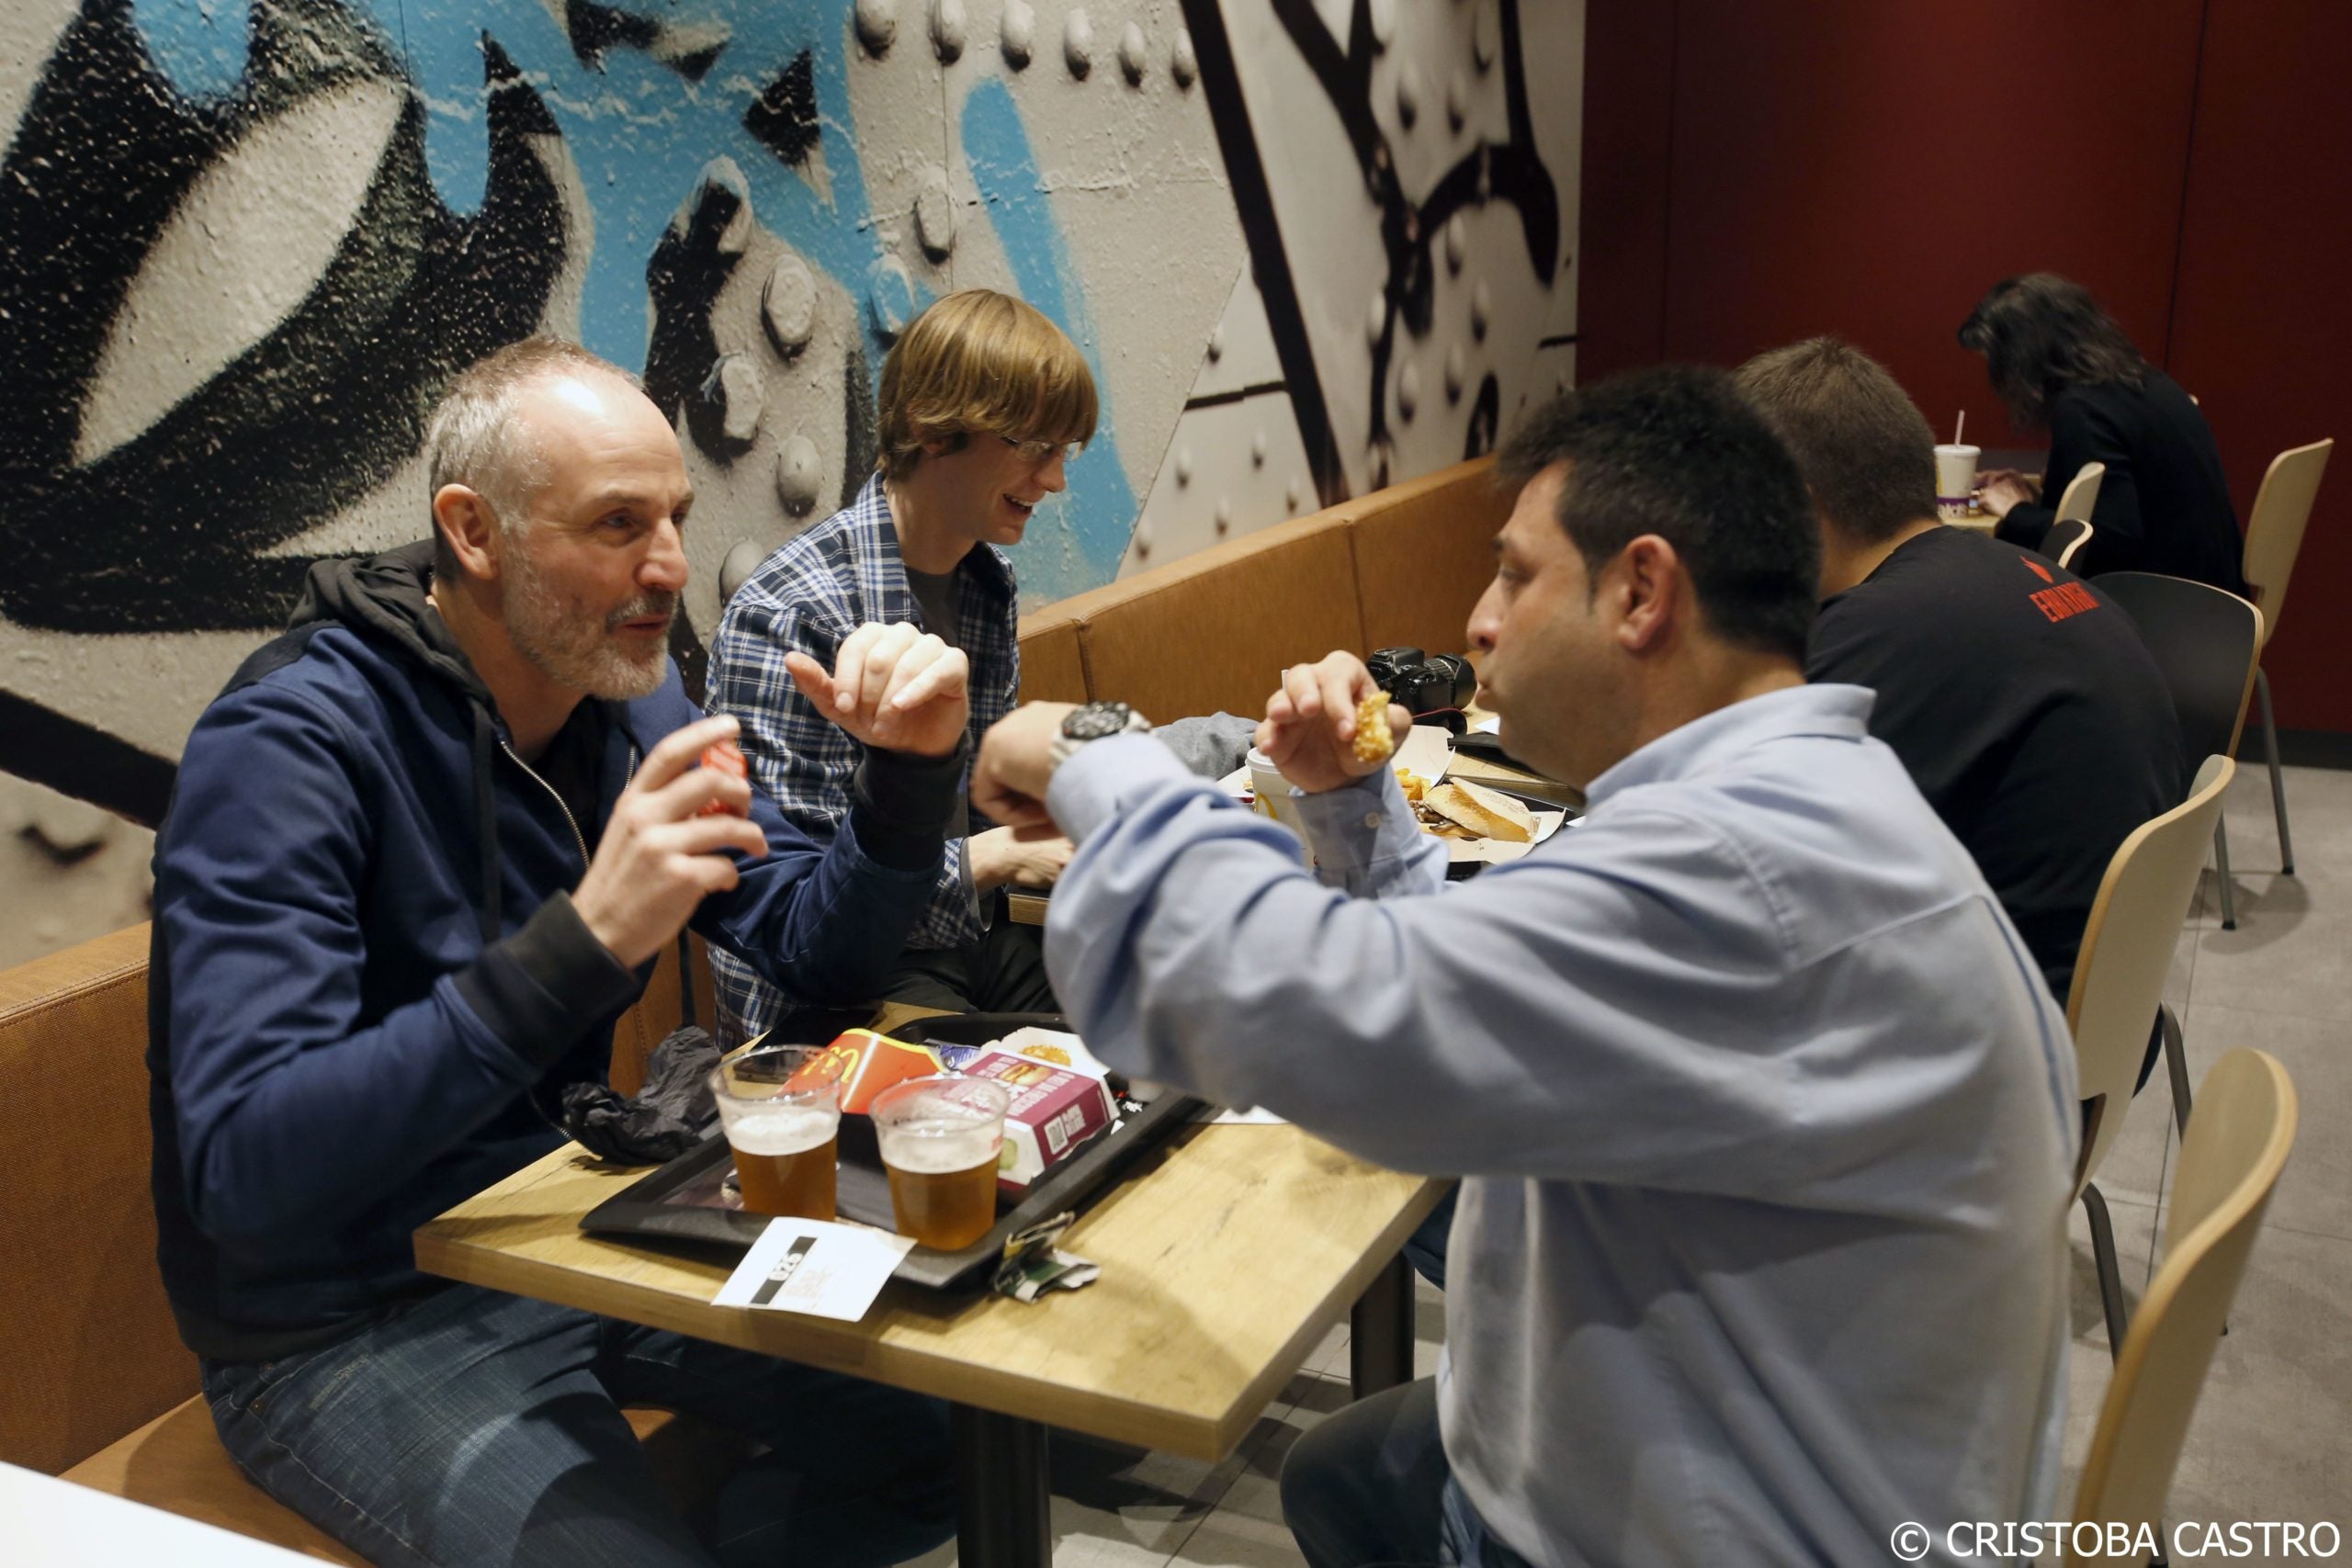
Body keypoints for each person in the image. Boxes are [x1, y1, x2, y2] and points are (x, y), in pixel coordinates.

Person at [970, 368, 2079, 1567]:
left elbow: (1305, 1002)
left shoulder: (1742, 868)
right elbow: (1466, 995)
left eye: (1513, 572)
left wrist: (1096, 750)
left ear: (1642, 590)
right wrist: (1350, 801)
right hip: (1736, 1416)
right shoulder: (1783, 799)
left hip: (1762, 1522)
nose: (1479, 620)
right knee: (1346, 1470)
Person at [148, 337, 967, 1568]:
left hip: (565, 1223)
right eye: (616, 523)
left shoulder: (626, 695)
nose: (669, 568)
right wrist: (578, 945)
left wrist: (905, 783)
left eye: (677, 518)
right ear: (474, 533)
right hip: (345, 1322)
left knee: (965, 1424)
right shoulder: (286, 748)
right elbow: (248, 1172)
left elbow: (812, 947)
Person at [1737, 335, 2185, 1002]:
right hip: (2096, 1014)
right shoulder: (2017, 575)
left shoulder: (1879, 635)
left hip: (1996, 1047)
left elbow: (1728, 856)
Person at [708, 288, 1090, 1033]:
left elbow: (982, 802)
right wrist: (1003, 853)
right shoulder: (788, 613)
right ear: (931, 427)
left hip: (968, 931)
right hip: (833, 994)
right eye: (1034, 447)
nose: (1055, 480)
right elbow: (812, 918)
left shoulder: (985, 582)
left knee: (1160, 1022)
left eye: (1063, 451)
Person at [1962, 272, 2246, 589]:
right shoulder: (2146, 381)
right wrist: (2036, 498)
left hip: (2167, 605)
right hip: (2214, 592)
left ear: (2025, 359)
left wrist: (2017, 511)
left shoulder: (2082, 409)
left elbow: (2108, 544)